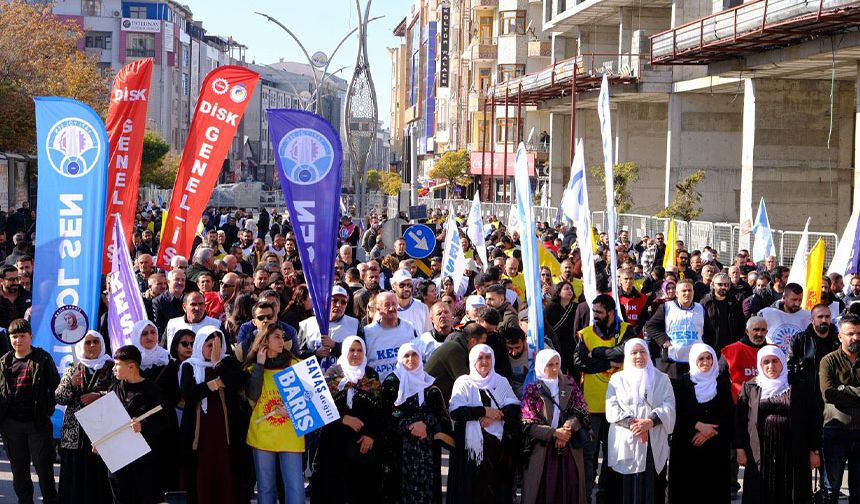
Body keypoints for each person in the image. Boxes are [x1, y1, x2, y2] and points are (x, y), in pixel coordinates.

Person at [735, 345, 817, 504]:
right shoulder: (750, 387)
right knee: (761, 490)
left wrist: (814, 450)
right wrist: (740, 449)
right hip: (760, 450)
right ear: (760, 364)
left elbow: (812, 419)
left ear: (783, 363)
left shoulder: (798, 385)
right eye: (766, 362)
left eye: (775, 361)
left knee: (791, 490)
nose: (771, 366)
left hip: (792, 450)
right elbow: (739, 420)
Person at [179, 326, 246, 503]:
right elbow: (190, 394)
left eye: (218, 344)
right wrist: (215, 383)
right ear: (200, 345)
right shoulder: (190, 366)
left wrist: (217, 363)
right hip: (199, 433)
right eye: (209, 345)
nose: (214, 349)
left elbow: (236, 383)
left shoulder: (227, 363)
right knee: (202, 475)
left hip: (226, 433)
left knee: (226, 475)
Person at [312, 336, 383, 504]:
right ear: (344, 351)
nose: (356, 354)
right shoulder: (332, 373)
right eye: (352, 350)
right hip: (334, 443)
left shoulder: (371, 374)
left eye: (360, 350)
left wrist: (370, 435)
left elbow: (379, 410)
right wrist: (343, 419)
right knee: (334, 490)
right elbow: (322, 407)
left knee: (360, 491)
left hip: (362, 444)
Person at [605, 338, 676, 504]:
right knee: (626, 488)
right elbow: (612, 408)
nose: (639, 356)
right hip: (627, 439)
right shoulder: (617, 380)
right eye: (634, 352)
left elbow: (670, 405)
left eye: (643, 351)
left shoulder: (662, 378)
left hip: (653, 440)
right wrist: (635, 425)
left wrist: (650, 422)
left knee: (652, 487)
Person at [447, 344, 521, 503]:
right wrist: (483, 411)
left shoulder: (500, 381)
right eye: (480, 358)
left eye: (488, 357)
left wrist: (495, 416)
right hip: (471, 453)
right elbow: (456, 411)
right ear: (472, 360)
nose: (484, 361)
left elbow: (514, 407)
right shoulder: (464, 382)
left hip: (497, 450)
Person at [380, 342, 450, 503]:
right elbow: (386, 413)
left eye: (414, 355)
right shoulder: (392, 381)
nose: (411, 359)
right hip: (399, 446)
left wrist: (425, 423)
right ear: (399, 358)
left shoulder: (428, 382)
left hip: (427, 448)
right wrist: (410, 426)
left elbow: (439, 412)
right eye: (406, 355)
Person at [0, 318, 60, 504]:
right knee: (19, 469)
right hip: (11, 425)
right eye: (14, 337)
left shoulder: (42, 358)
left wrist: (47, 410)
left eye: (22, 336)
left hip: (37, 424)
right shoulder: (4, 362)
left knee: (43, 468)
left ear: (30, 336)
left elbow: (55, 387)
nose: (18, 340)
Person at [244, 324, 305, 504]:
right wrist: (260, 365)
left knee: (294, 485)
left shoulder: (296, 366)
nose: (282, 341)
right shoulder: (253, 368)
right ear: (264, 342)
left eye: (282, 336)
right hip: (262, 435)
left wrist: (292, 410)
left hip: (291, 436)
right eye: (277, 337)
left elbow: (312, 401)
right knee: (265, 486)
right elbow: (252, 394)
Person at [521, 349, 590, 504]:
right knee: (542, 489)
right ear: (540, 366)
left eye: (557, 364)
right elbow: (527, 422)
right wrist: (554, 433)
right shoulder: (532, 389)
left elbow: (581, 410)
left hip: (568, 445)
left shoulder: (569, 383)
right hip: (542, 448)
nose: (554, 369)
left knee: (570, 486)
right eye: (549, 365)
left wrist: (567, 428)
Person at [109, 345, 176, 504]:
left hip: (143, 461)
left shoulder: (152, 391)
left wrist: (143, 426)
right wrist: (101, 440)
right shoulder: (114, 388)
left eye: (117, 364)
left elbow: (164, 422)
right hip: (118, 459)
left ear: (131, 366)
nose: (114, 368)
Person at [668, 343, 734, 503]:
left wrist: (710, 432)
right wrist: (697, 426)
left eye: (709, 358)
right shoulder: (682, 383)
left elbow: (728, 413)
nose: (706, 362)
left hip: (716, 447)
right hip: (688, 446)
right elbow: (676, 412)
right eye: (701, 358)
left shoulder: (723, 383)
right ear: (693, 360)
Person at [55, 330, 114, 504]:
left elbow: (118, 393)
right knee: (74, 480)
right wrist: (72, 384)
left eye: (96, 342)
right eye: (88, 342)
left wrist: (99, 396)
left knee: (99, 480)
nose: (92, 346)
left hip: (101, 432)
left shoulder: (110, 366)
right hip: (76, 435)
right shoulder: (73, 367)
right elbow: (59, 397)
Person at [819, 313, 860, 504]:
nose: (856, 337)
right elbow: (828, 394)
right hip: (835, 432)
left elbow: (838, 393)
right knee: (831, 488)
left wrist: (844, 389)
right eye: (850, 333)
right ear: (840, 336)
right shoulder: (828, 361)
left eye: (859, 333)